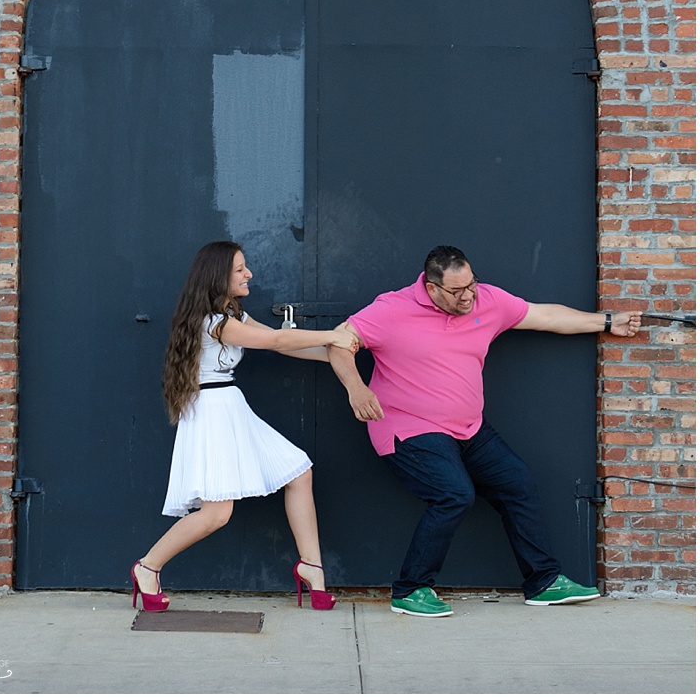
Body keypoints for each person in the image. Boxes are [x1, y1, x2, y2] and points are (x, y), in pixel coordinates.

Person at [328, 244, 643, 618]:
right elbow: (339, 343)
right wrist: (356, 388)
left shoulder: (487, 301)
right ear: (431, 288)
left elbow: (545, 316)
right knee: (454, 493)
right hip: (407, 428)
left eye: (471, 284)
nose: (469, 296)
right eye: (457, 291)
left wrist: (607, 321)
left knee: (517, 482)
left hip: (468, 429)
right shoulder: (391, 309)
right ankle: (410, 589)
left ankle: (543, 581)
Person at [131, 240, 358, 613]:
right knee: (217, 513)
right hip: (213, 413)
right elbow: (276, 338)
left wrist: (334, 353)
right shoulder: (215, 323)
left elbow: (281, 346)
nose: (248, 273)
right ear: (218, 275)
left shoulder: (231, 313)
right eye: (240, 268)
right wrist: (333, 335)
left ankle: (312, 569)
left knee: (298, 471)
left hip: (230, 407)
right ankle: (147, 567)